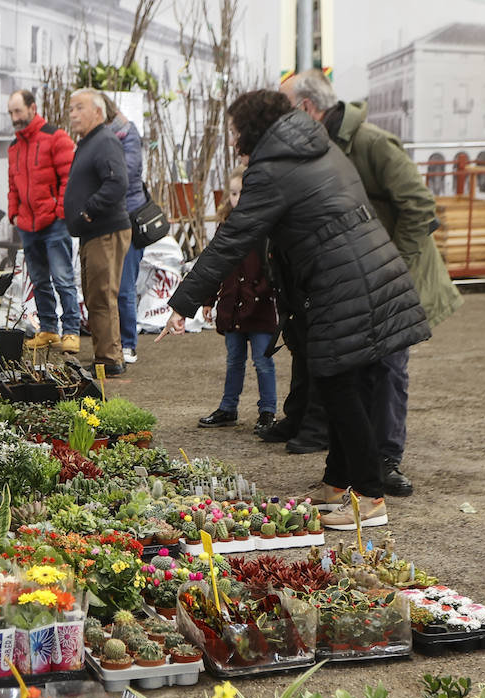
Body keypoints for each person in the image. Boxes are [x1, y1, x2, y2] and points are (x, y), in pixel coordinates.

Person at [158, 90, 431, 530]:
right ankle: (338, 486)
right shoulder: (322, 148)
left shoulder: (272, 170)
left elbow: (234, 237)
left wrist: (183, 303)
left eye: (234, 131)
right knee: (341, 384)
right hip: (368, 275)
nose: (232, 142)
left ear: (252, 128)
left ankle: (370, 497)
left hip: (344, 284)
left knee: (342, 390)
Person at [282, 68, 463, 497]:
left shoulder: (372, 143)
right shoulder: (319, 145)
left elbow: (420, 207)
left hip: (394, 276)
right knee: (357, 372)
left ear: (308, 107)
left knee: (388, 368)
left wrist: (392, 266)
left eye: (286, 108)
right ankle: (353, 465)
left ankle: (385, 461)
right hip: (358, 279)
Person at [196, 166, 278, 433]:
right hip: (231, 308)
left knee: (263, 361)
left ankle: (268, 411)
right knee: (234, 360)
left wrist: (261, 293)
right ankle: (228, 407)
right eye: (233, 193)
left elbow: (274, 269)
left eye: (243, 192)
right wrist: (208, 300)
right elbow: (214, 266)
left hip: (260, 308)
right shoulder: (225, 229)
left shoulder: (267, 228)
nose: (237, 198)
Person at [63, 88, 131, 378]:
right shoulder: (89, 142)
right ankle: (106, 356)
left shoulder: (103, 141)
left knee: (102, 295)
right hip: (93, 233)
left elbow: (117, 183)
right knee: (95, 296)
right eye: (71, 108)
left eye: (79, 107)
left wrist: (89, 210)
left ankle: (110, 359)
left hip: (105, 230)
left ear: (98, 113)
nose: (73, 113)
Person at [6, 89, 80, 353]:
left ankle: (71, 330)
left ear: (32, 108)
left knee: (63, 278)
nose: (14, 117)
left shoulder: (55, 137)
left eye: (18, 111)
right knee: (38, 280)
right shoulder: (14, 147)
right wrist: (13, 212)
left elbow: (69, 180)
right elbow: (13, 184)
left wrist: (60, 211)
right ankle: (49, 329)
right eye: (11, 112)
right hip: (28, 225)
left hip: (54, 222)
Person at [102, 93, 145, 366]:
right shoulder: (102, 138)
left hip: (128, 216)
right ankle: (114, 341)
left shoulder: (127, 134)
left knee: (125, 284)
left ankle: (128, 343)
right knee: (110, 284)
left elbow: (124, 175)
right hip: (110, 217)